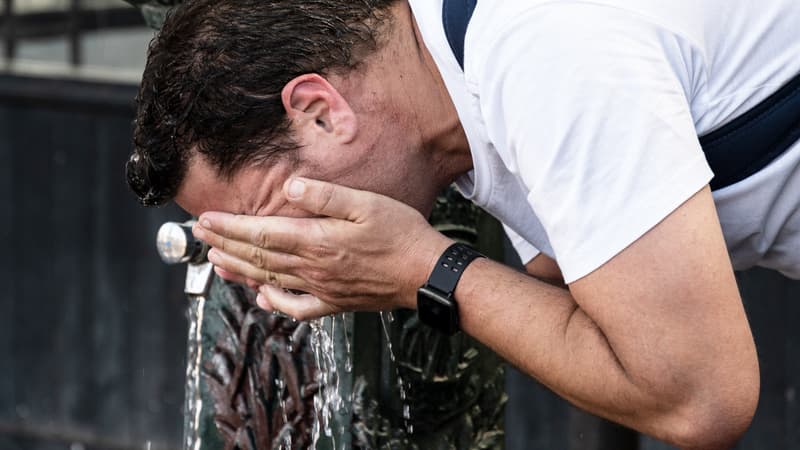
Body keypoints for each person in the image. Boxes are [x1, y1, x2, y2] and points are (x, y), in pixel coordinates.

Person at [126, 0, 800, 447]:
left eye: (267, 217)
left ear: (319, 110)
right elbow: (584, 310)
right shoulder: (458, 85)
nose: (279, 253)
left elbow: (701, 398)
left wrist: (425, 269)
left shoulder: (540, 52)